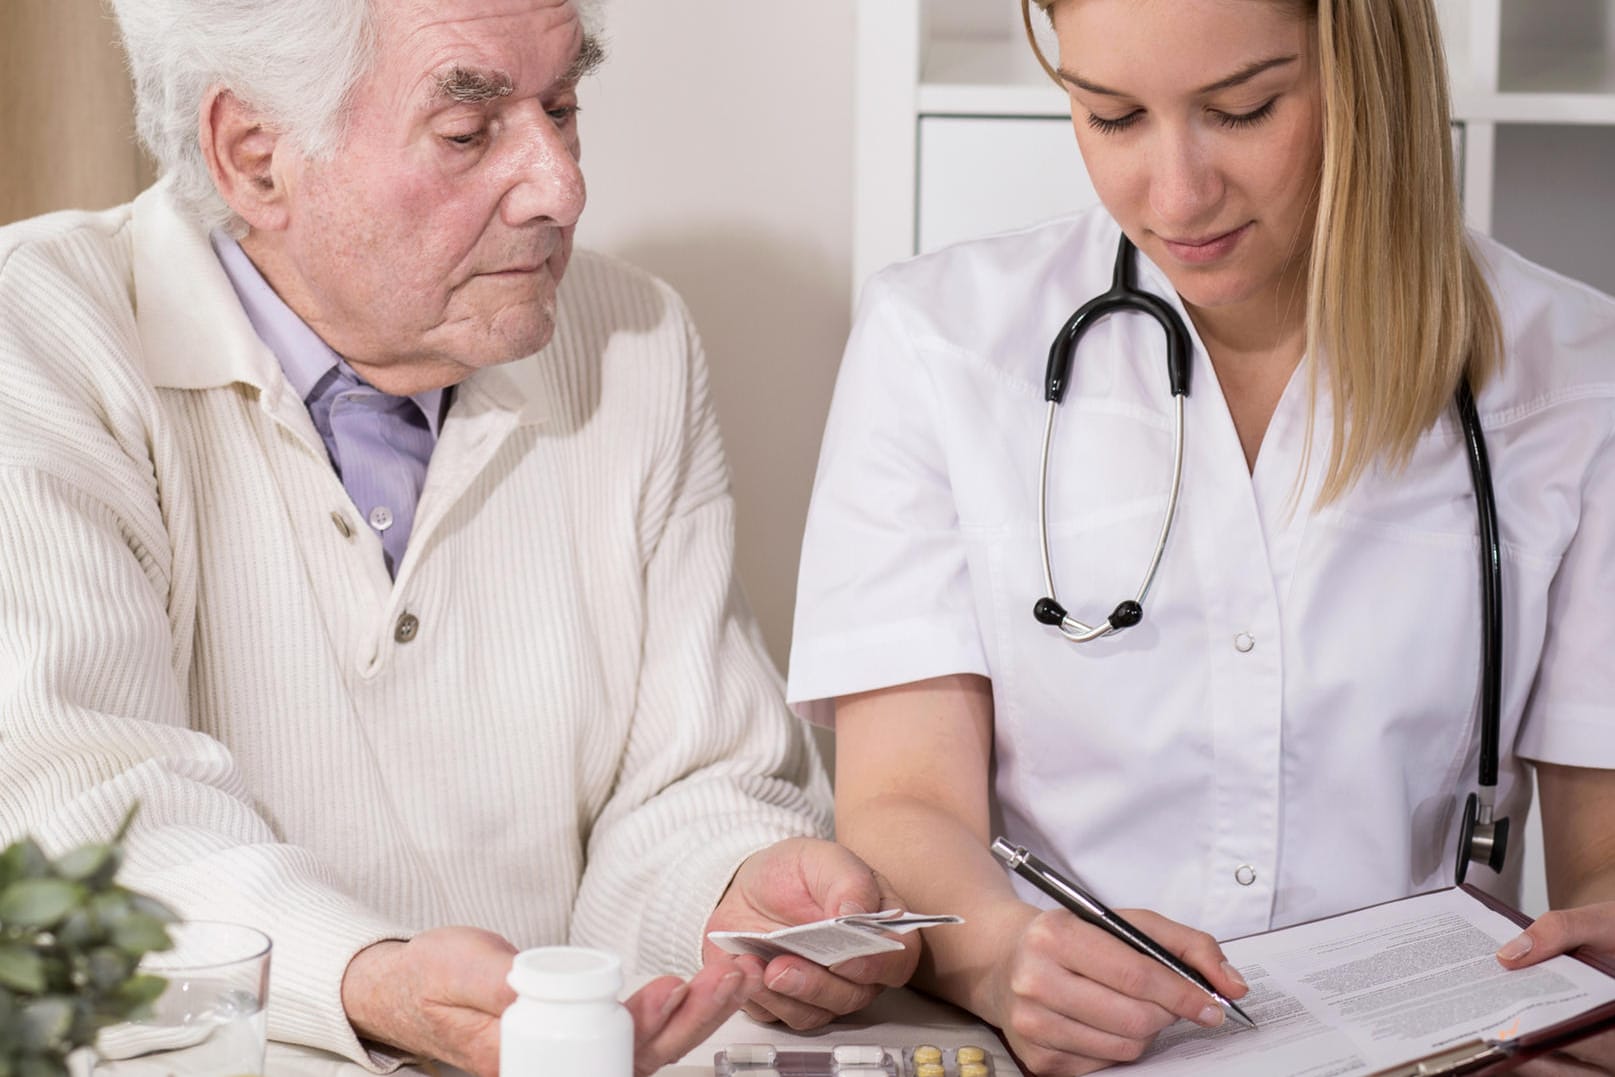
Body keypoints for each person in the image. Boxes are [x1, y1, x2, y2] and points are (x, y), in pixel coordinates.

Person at [0, 1, 913, 1074]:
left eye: (563, 106)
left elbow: (691, 780)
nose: (562, 185)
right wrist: (369, 978)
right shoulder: (42, 336)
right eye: (469, 133)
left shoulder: (637, 342)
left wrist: (731, 895)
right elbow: (81, 822)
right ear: (254, 158)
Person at [787, 0, 1615, 1073]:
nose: (1174, 195)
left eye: (1241, 109)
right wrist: (1002, 957)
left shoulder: (1573, 377)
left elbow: (1599, 870)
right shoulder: (938, 343)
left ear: (1371, 78)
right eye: (1111, 115)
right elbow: (904, 802)